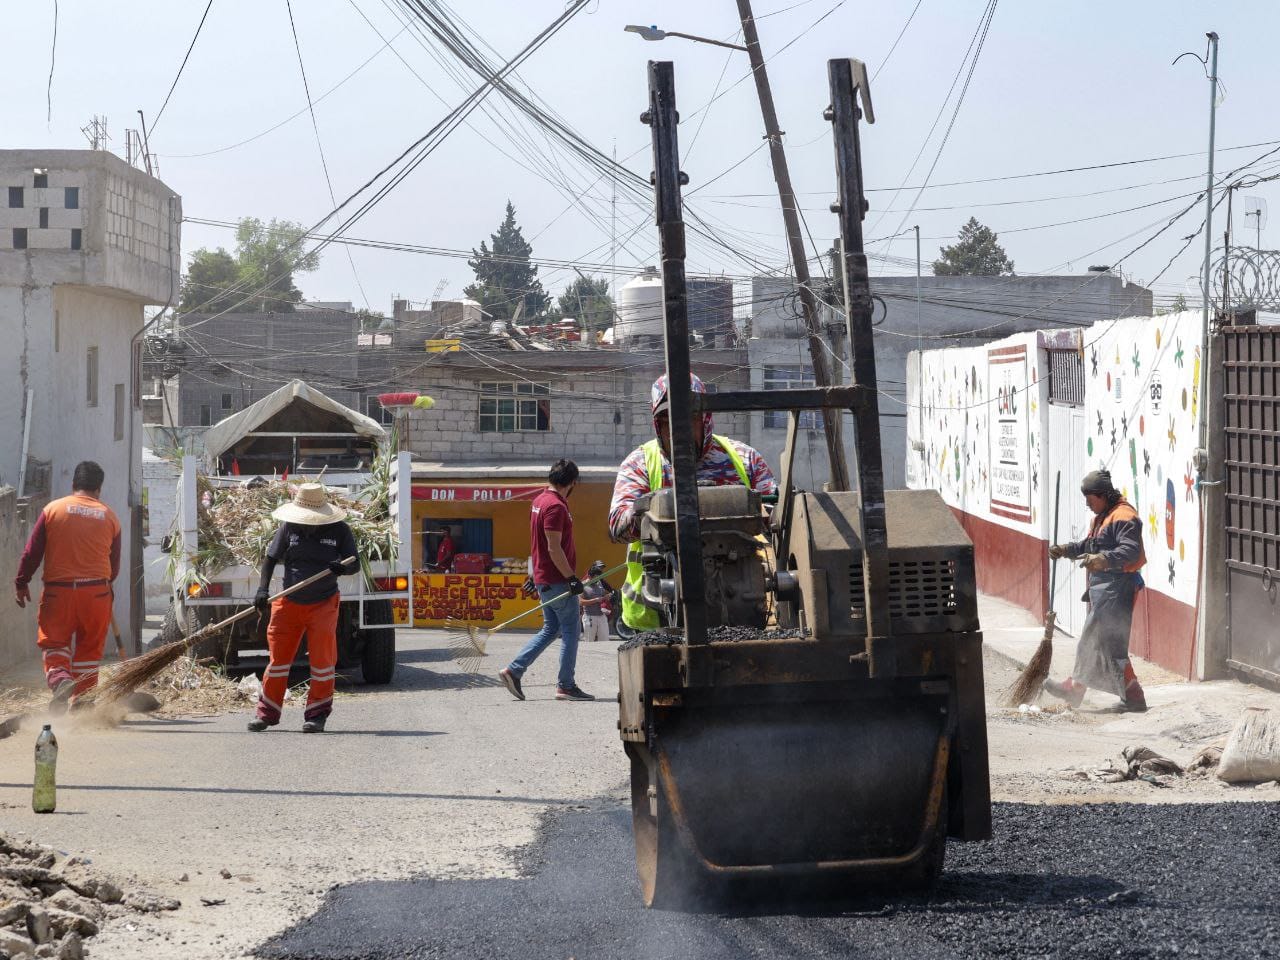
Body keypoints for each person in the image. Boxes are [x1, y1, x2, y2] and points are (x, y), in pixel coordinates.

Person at [609, 373, 777, 633]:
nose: (679, 432)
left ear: (705, 419)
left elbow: (780, 515)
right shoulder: (640, 463)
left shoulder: (745, 460)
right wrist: (652, 508)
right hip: (658, 618)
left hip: (741, 608)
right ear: (657, 424)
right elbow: (617, 526)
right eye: (667, 423)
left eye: (690, 419)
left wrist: (764, 514)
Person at [248, 483, 360, 733]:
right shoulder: (288, 527)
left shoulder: (340, 530)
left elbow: (355, 563)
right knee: (277, 662)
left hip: (323, 603)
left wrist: (341, 567)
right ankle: (266, 713)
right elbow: (270, 558)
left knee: (322, 663)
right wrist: (262, 590)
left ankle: (317, 715)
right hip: (288, 602)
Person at [13, 461, 121, 712]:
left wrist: (21, 582)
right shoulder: (110, 516)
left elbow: (32, 553)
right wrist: (106, 590)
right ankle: (83, 705)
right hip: (97, 593)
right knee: (88, 651)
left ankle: (61, 679)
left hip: (58, 592)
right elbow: (113, 567)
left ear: (74, 485)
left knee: (55, 644)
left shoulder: (53, 510)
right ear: (99, 489)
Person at [1043, 469, 1148, 713]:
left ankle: (1077, 689)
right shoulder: (1103, 517)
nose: (1088, 505)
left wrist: (1103, 559)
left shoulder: (1124, 516)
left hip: (1118, 588)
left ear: (1103, 495)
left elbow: (1130, 551)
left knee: (1098, 641)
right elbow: (1091, 544)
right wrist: (1067, 549)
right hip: (1103, 590)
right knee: (1107, 645)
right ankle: (1132, 695)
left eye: (1090, 500)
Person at [499, 459, 594, 702]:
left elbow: (538, 544)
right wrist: (571, 578)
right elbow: (552, 547)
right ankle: (566, 685)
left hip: (545, 578)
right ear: (573, 482)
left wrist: (535, 574)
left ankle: (514, 670)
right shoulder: (555, 506)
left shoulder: (539, 501)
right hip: (557, 579)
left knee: (551, 628)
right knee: (572, 630)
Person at [579, 560, 611, 644]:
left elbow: (604, 594)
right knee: (589, 642)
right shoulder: (583, 585)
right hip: (590, 617)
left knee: (605, 641)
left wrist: (607, 597)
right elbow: (581, 602)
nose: (597, 580)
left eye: (599, 578)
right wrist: (595, 600)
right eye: (595, 578)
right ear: (589, 576)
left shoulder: (599, 583)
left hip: (601, 616)